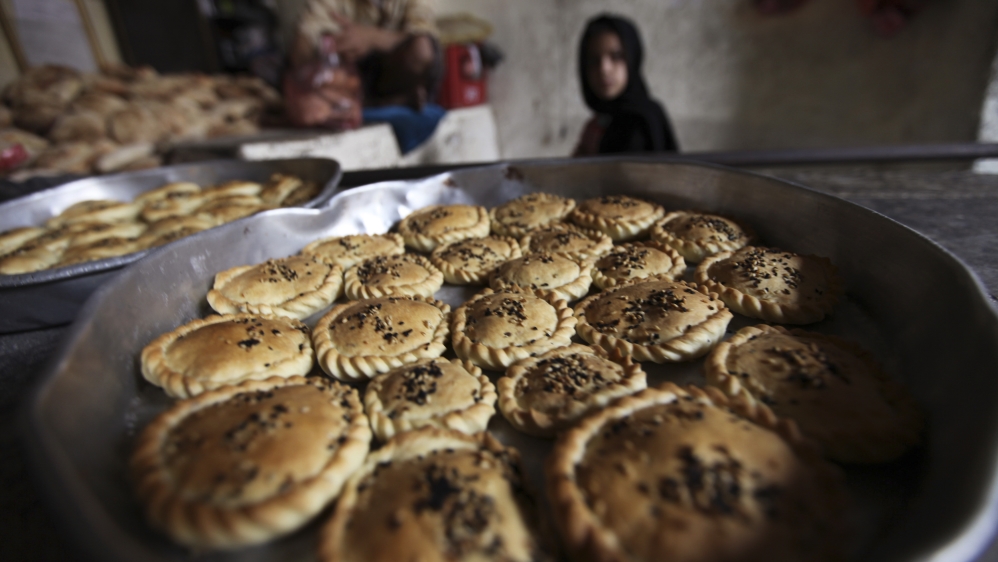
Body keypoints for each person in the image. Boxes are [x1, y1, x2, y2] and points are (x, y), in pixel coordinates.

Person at [284, 0, 445, 152]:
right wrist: (325, 48)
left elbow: (423, 33)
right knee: (319, 83)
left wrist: (372, 38)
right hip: (354, 71)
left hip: (395, 72)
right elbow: (306, 36)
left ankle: (386, 101)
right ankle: (385, 103)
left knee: (421, 50)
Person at [573, 14, 679, 156]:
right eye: (593, 60)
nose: (604, 69)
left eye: (616, 56)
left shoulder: (644, 121)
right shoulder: (598, 125)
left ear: (632, 59)